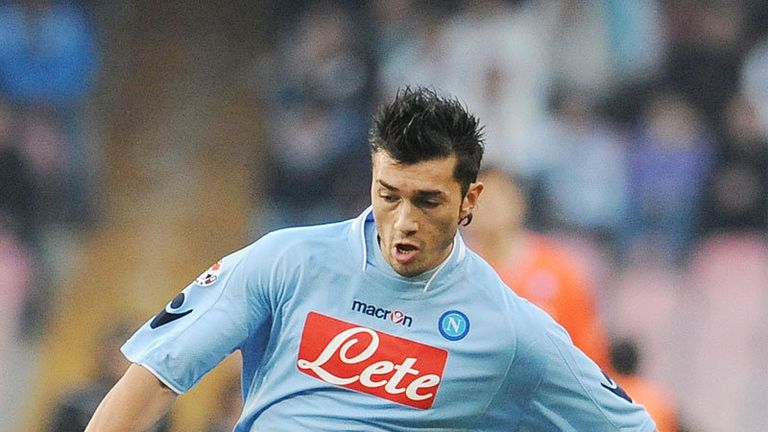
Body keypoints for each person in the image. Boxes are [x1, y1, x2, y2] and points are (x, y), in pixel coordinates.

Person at [86, 87, 657, 431]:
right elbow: (154, 378)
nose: (403, 221)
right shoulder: (286, 263)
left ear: (469, 200)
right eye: (389, 195)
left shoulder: (510, 332)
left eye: (427, 201)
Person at [463, 166, 613, 371]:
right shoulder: (458, 275)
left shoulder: (559, 270)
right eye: (481, 198)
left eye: (499, 195)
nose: (490, 205)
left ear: (519, 202)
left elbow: (587, 349)